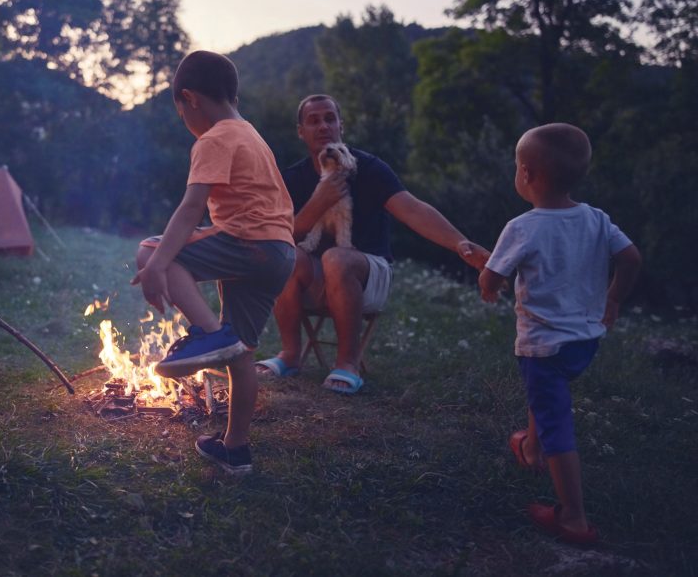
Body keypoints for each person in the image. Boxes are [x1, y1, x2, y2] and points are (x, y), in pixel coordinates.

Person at [256, 94, 489, 393]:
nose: (323, 126)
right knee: (284, 254)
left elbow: (413, 209)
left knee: (336, 259)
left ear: (341, 124)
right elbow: (277, 233)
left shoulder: (369, 168)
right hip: (314, 279)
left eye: (330, 118)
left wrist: (460, 243)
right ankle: (289, 355)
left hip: (368, 273)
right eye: (313, 120)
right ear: (300, 131)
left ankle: (347, 364)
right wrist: (317, 203)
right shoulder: (293, 177)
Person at [132, 51, 296, 475]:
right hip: (280, 252)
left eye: (180, 111)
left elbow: (190, 209)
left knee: (151, 250)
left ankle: (208, 335)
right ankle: (235, 449)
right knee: (241, 352)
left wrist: (154, 267)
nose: (184, 120)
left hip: (248, 240)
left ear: (190, 99)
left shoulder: (215, 138)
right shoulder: (251, 134)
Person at [479, 123, 641, 544]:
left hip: (542, 346)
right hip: (584, 343)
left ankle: (573, 517)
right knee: (546, 395)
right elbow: (631, 258)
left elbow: (490, 279)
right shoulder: (596, 219)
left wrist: (489, 286)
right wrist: (614, 299)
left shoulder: (523, 227)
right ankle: (530, 450)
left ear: (527, 174)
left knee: (555, 421)